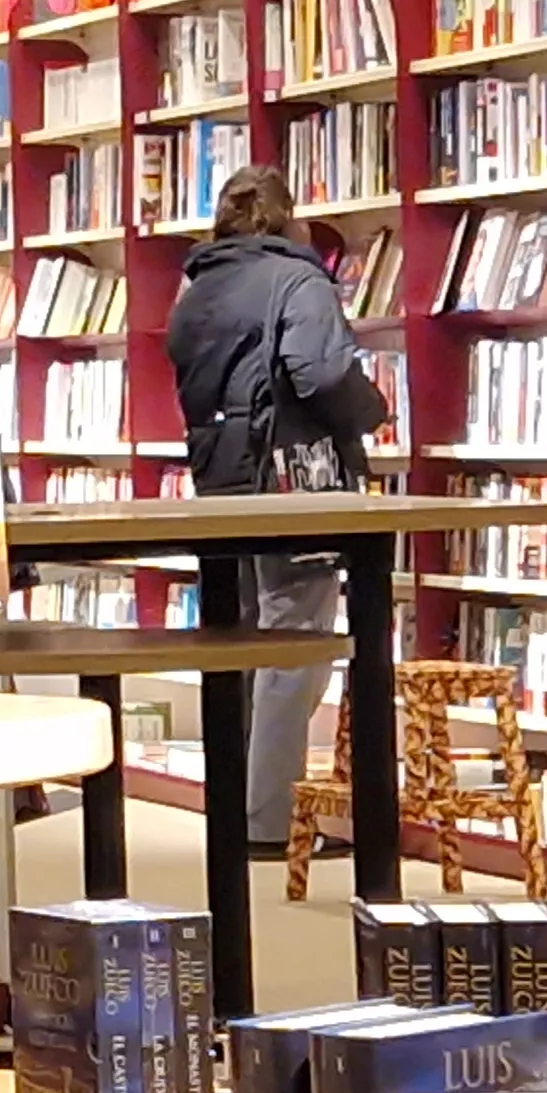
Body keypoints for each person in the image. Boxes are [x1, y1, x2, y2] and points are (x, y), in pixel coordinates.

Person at [164, 164, 391, 857]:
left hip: (219, 481)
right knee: (296, 645)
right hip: (293, 479)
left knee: (236, 644)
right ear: (288, 218)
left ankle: (233, 810)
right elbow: (317, 371)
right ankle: (267, 822)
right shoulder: (299, 278)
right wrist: (371, 407)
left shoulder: (196, 287)